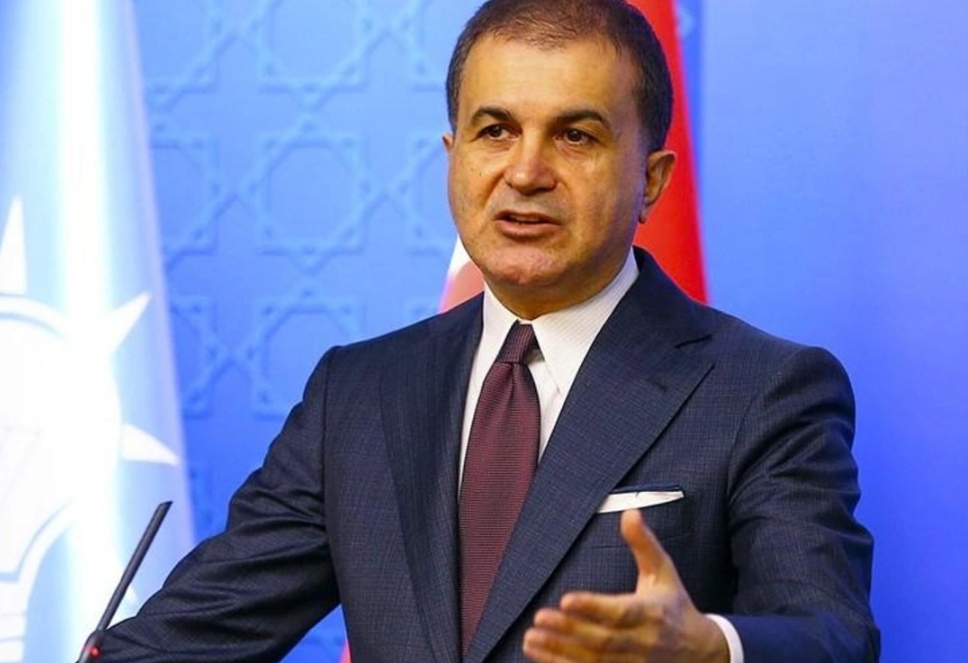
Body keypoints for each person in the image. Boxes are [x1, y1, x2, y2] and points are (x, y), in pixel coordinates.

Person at [97, 1, 878, 661]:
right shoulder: (358, 394)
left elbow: (832, 635)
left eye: (576, 136)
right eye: (496, 131)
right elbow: (194, 634)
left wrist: (710, 646)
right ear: (454, 155)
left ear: (652, 179)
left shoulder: (762, 391)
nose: (526, 171)